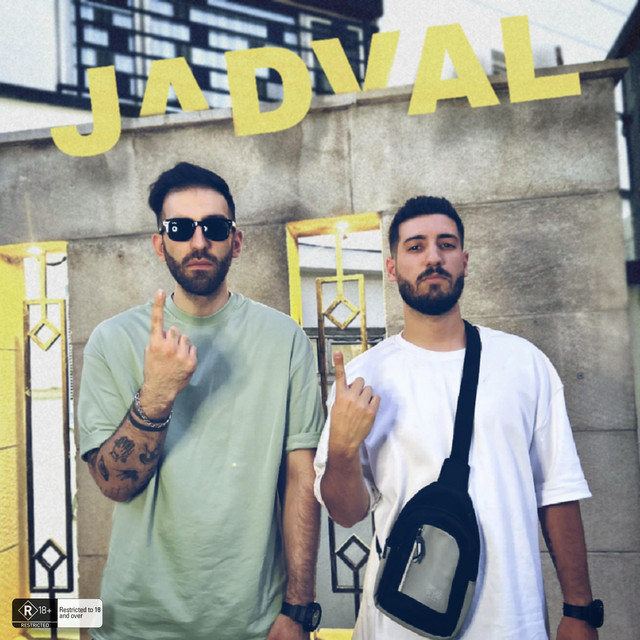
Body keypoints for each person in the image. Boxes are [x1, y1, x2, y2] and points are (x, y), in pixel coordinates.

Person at [314, 196, 602, 640]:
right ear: (391, 268)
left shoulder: (523, 363)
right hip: (399, 625)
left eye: (446, 244)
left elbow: (557, 491)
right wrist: (342, 447)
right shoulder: (362, 378)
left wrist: (579, 611)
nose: (433, 257)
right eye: (415, 246)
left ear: (464, 261)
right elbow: (346, 512)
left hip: (511, 622)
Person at [78, 162, 324, 640]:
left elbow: (301, 478)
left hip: (253, 623)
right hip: (137, 624)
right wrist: (156, 394)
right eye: (180, 228)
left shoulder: (285, 339)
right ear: (160, 244)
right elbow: (113, 484)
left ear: (236, 240)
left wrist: (298, 609)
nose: (198, 241)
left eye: (214, 227)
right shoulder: (112, 340)